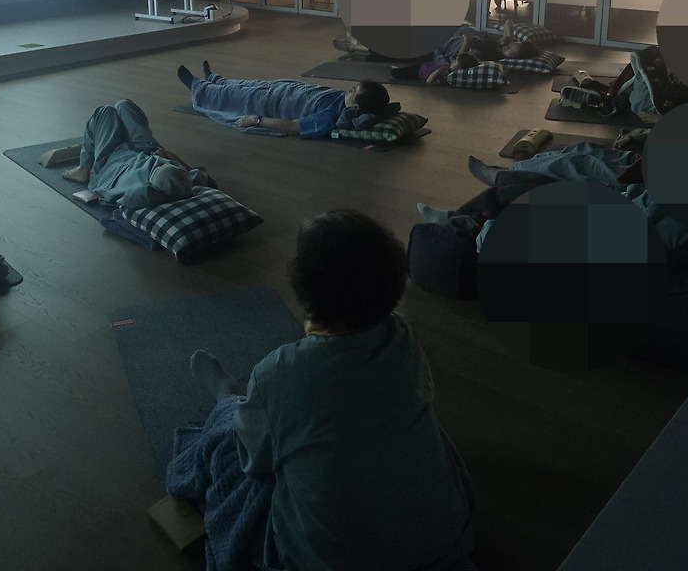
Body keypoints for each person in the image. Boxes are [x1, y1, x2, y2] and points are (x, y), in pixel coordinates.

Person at [168, 210, 476, 571]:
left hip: (331, 561)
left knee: (232, 442)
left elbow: (255, 459)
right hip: (442, 542)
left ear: (305, 287)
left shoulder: (279, 371)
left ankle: (228, 398)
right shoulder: (402, 336)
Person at [422, 60, 688, 267]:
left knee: (573, 170)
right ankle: (488, 196)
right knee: (572, 164)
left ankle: (465, 230)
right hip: (644, 198)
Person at [177, 60, 396, 138]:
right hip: (284, 90)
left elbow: (292, 126)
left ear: (356, 105)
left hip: (273, 104)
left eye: (354, 90)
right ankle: (216, 79)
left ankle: (199, 88)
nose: (349, 88)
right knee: (247, 85)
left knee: (238, 96)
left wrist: (256, 120)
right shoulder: (341, 100)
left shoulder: (330, 118)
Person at [60, 99, 211, 209]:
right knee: (124, 105)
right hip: (147, 151)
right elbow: (203, 177)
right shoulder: (184, 182)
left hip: (110, 165)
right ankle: (136, 132)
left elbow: (123, 202)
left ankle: (83, 169)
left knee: (105, 111)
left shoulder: (144, 192)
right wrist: (172, 158)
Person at [390, 24, 541, 80]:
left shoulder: (492, 56)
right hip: (448, 42)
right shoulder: (498, 45)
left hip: (443, 51)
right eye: (513, 45)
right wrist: (509, 38)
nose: (509, 48)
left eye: (512, 52)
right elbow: (508, 22)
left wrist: (467, 42)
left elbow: (460, 59)